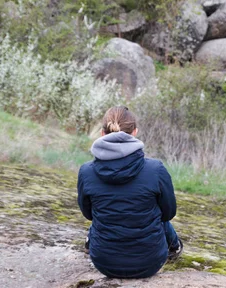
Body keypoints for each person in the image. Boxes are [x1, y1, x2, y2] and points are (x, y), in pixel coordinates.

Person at [77, 106, 183, 278]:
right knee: (156, 213)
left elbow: (88, 214)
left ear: (102, 133)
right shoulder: (155, 169)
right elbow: (168, 213)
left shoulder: (86, 171)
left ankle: (91, 243)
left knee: (101, 213)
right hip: (151, 262)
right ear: (134, 132)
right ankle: (175, 247)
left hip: (104, 263)